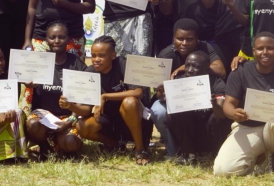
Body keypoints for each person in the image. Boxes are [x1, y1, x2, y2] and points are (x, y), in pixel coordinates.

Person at [214, 32, 274, 179]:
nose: (265, 52)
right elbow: (228, 104)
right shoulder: (241, 71)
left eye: (270, 48)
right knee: (222, 170)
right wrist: (234, 113)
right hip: (248, 127)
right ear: (253, 50)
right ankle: (258, 160)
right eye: (260, 48)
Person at [151, 26, 226, 160]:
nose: (190, 70)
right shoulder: (180, 81)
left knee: (218, 119)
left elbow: (221, 114)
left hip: (208, 130)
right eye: (187, 66)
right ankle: (188, 153)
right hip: (189, 129)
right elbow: (162, 98)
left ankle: (215, 153)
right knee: (175, 111)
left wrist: (214, 105)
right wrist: (162, 92)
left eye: (196, 66)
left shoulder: (217, 83)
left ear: (207, 68)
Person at [76, 35, 153, 165]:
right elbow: (85, 107)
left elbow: (138, 92)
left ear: (113, 55)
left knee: (129, 102)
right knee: (82, 127)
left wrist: (104, 96)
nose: (96, 60)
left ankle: (140, 149)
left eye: (101, 55)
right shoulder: (89, 73)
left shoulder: (122, 64)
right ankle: (114, 144)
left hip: (132, 116)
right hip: (109, 118)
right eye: (93, 55)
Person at [21, 21, 88, 158]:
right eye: (52, 37)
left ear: (68, 40)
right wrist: (26, 83)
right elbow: (20, 79)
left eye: (61, 37)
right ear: (46, 40)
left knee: (71, 144)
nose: (57, 41)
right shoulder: (38, 62)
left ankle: (60, 143)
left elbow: (84, 99)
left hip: (67, 118)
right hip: (44, 116)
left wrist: (70, 121)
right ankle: (45, 147)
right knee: (32, 125)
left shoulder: (76, 64)